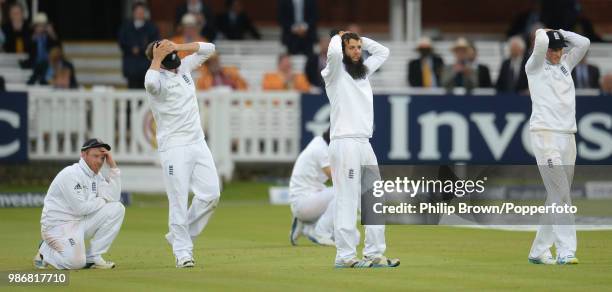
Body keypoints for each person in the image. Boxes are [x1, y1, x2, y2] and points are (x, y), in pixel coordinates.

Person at [322, 30, 398, 268]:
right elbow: (334, 51)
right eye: (351, 48)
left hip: (364, 142)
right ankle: (344, 256)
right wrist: (338, 36)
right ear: (343, 50)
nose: (357, 51)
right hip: (345, 142)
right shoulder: (334, 72)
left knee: (374, 197)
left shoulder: (362, 72)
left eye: (358, 48)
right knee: (347, 198)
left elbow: (383, 52)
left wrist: (359, 38)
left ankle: (374, 253)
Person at [144, 39, 220, 268]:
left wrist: (179, 47)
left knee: (211, 195)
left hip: (197, 142)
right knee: (178, 199)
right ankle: (183, 252)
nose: (175, 60)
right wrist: (157, 58)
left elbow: (210, 49)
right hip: (174, 146)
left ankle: (178, 235)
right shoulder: (156, 78)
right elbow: (150, 85)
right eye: (169, 56)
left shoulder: (183, 67)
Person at [525, 28, 590, 265]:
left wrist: (560, 32)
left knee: (556, 195)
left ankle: (538, 251)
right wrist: (544, 31)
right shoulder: (534, 66)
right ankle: (566, 250)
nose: (557, 53)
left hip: (568, 135)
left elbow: (584, 41)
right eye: (554, 50)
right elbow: (541, 42)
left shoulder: (566, 64)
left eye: (560, 48)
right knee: (562, 192)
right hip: (545, 135)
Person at [34, 139, 124, 270]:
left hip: (78, 223)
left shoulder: (96, 176)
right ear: (83, 154)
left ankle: (93, 257)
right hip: (57, 227)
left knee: (117, 208)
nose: (99, 161)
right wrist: (103, 200)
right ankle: (45, 251)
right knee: (76, 263)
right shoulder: (71, 174)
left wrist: (113, 167)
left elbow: (114, 197)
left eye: (103, 157)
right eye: (95, 156)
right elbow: (80, 208)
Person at [289, 129, 334, 247]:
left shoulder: (320, 144)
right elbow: (335, 177)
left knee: (355, 238)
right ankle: (319, 232)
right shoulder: (321, 149)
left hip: (307, 200)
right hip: (304, 202)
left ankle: (306, 224)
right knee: (343, 192)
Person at [118, 2, 160, 89]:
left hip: (146, 64)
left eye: (142, 12)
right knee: (131, 90)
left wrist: (141, 49)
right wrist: (131, 49)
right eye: (137, 12)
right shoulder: (126, 26)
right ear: (133, 13)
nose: (140, 14)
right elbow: (122, 42)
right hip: (131, 64)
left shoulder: (151, 27)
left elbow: (155, 43)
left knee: (146, 90)